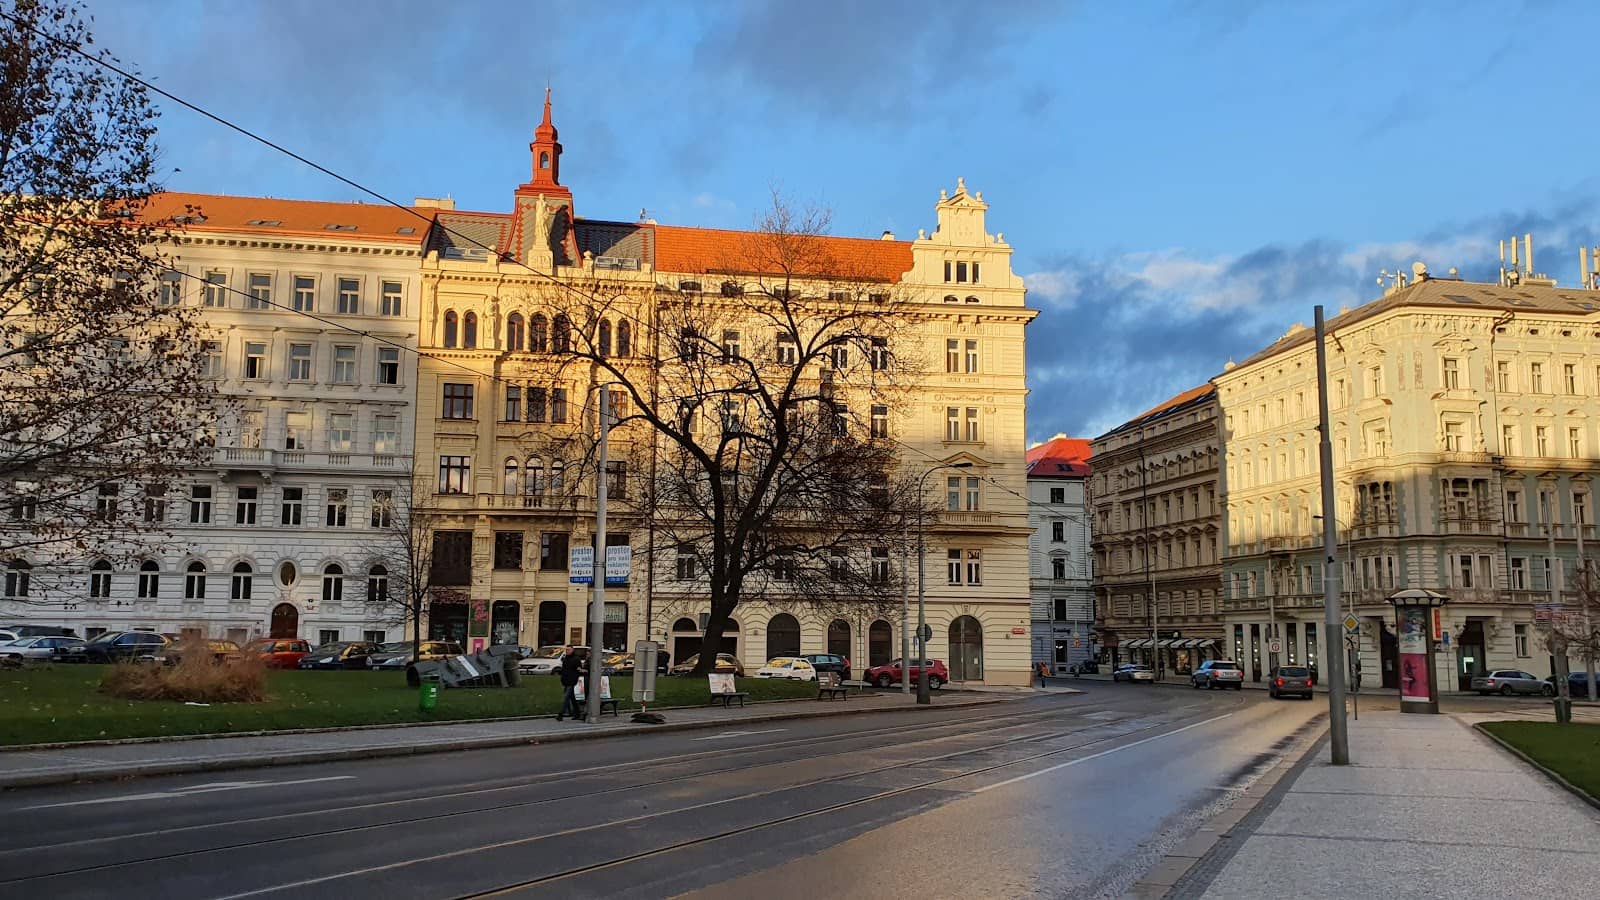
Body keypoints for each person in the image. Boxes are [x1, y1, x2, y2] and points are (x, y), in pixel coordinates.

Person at [557, 647, 583, 721]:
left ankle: (561, 714)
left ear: (572, 650)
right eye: (566, 650)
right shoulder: (565, 659)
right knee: (572, 698)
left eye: (569, 650)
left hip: (572, 681)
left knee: (566, 697)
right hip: (566, 681)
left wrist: (575, 677)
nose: (567, 651)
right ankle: (577, 713)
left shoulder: (576, 659)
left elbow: (578, 669)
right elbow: (564, 670)